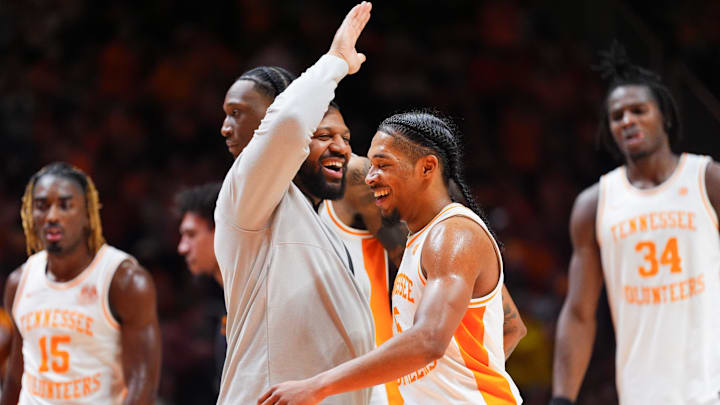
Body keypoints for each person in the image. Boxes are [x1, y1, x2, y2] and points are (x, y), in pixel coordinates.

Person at [259, 111, 525, 405]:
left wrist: (318, 386)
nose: (370, 177)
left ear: (427, 167)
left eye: (383, 165)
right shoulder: (420, 241)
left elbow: (428, 340)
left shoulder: (453, 235)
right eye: (371, 166)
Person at [213, 3, 376, 405]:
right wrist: (335, 61)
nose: (224, 127)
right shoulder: (246, 199)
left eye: (237, 113)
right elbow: (286, 126)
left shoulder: (319, 222)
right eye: (322, 134)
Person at [551, 44, 720, 405]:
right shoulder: (593, 205)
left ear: (665, 117)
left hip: (711, 386)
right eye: (617, 115)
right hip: (642, 393)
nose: (627, 120)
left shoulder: (708, 180)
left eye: (638, 110)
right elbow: (580, 313)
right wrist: (562, 398)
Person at [1, 162, 161, 405]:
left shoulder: (124, 281)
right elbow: (15, 376)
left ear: (88, 214)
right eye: (42, 207)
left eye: (65, 205)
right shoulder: (18, 281)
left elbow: (142, 383)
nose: (52, 216)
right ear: (29, 214)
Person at [174, 182, 226, 396]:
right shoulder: (227, 300)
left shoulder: (259, 295)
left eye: (191, 235)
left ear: (219, 231)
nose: (182, 248)